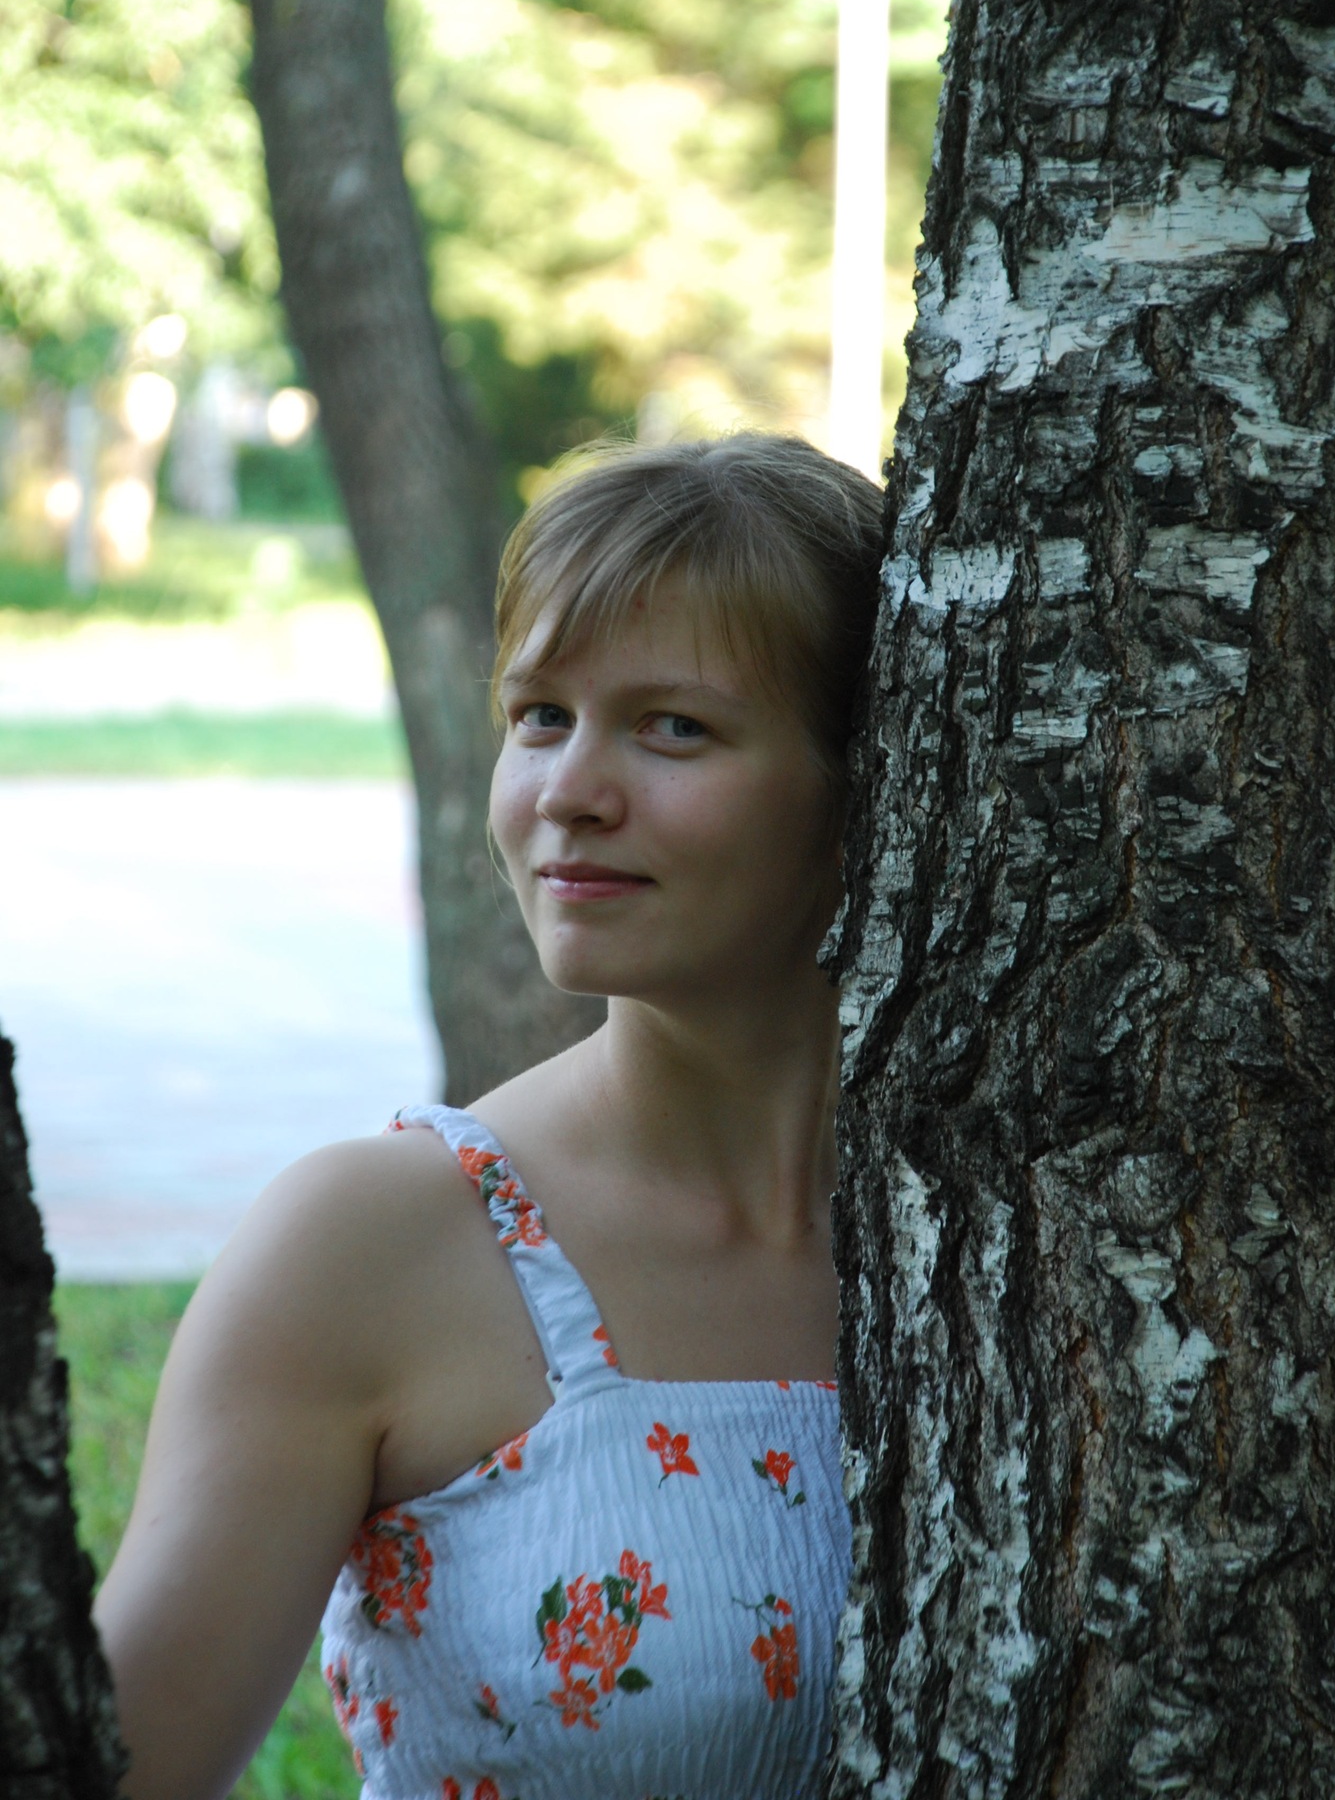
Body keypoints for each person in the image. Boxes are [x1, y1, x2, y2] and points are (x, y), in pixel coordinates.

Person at [94, 431, 885, 1800]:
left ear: (867, 778)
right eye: (540, 716)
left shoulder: (1029, 1236)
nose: (569, 793)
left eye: (675, 727)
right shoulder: (374, 1241)